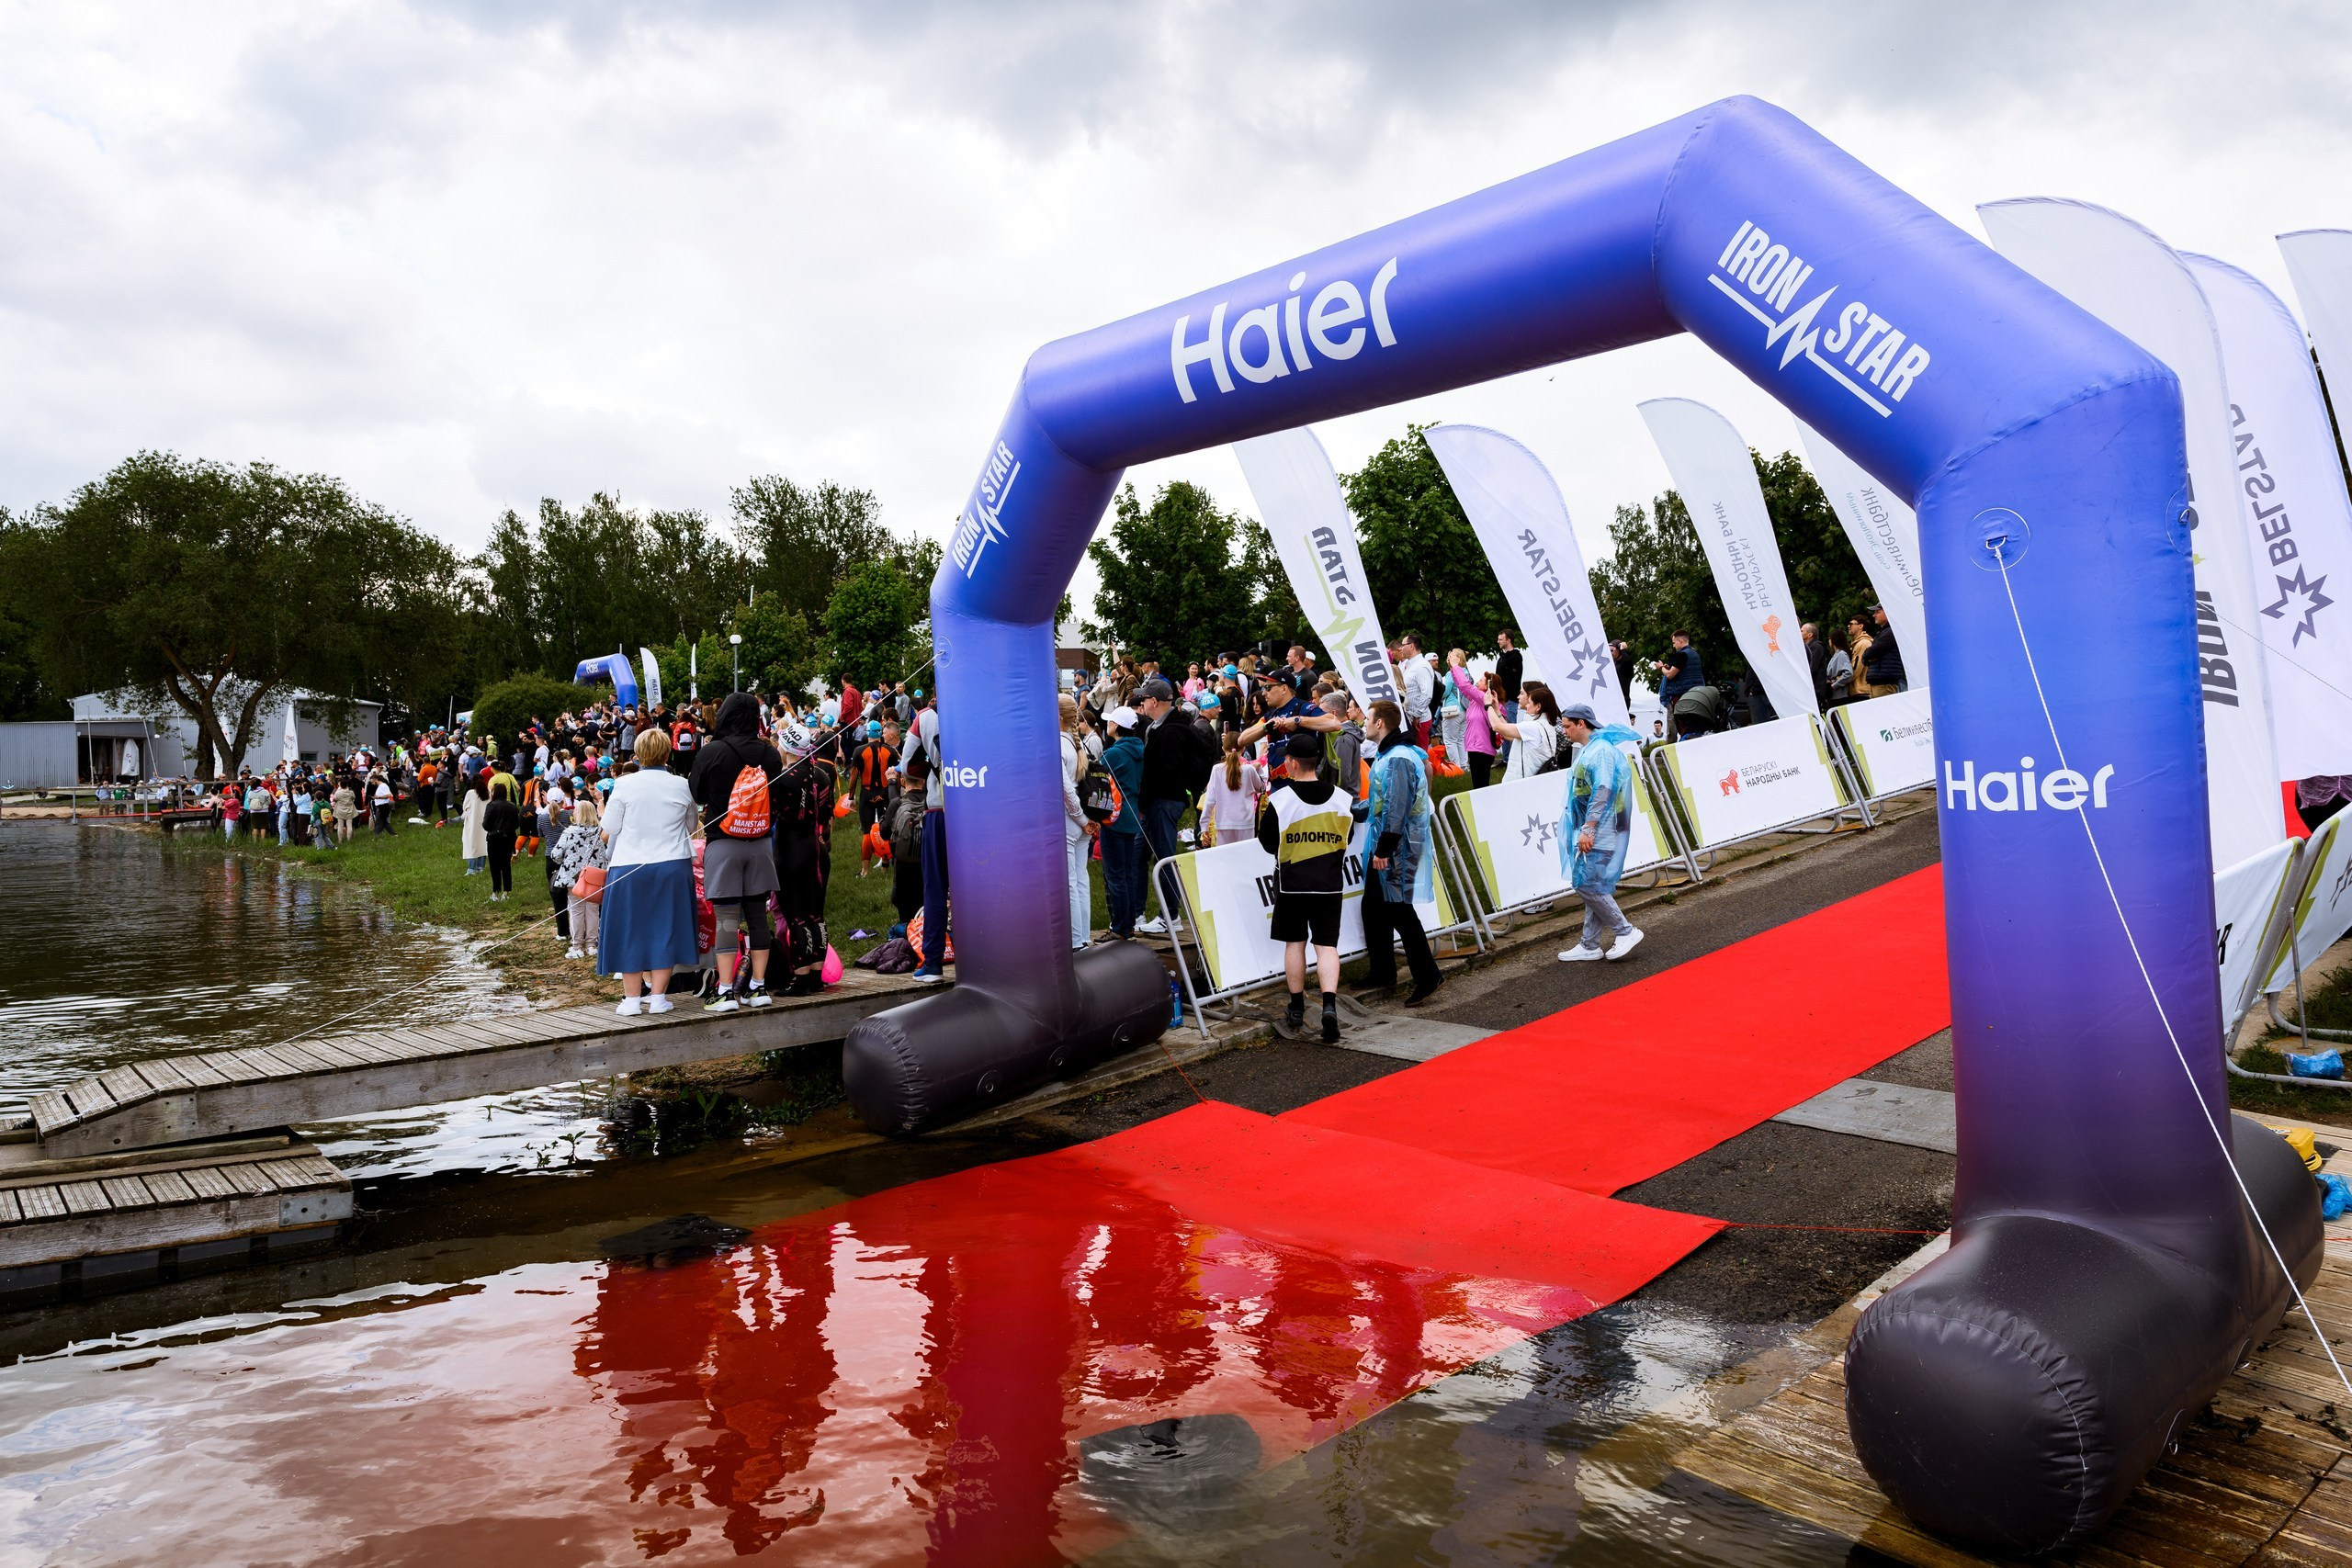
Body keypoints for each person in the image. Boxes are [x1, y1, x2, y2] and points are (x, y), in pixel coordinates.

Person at [690, 692, 783, 1010]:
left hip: (723, 843)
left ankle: (726, 990)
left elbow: (697, 792)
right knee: (758, 914)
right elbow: (779, 795)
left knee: (727, 918)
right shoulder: (768, 754)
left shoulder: (712, 751)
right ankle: (759, 987)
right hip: (759, 843)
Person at [1256, 729, 1350, 1043]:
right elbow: (1344, 839)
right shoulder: (1341, 798)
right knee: (1327, 947)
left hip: (1292, 885)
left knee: (1295, 944)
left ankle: (1296, 1008)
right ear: (1318, 762)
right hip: (1329, 884)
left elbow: (1268, 842)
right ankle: (1329, 1007)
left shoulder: (1280, 800)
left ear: (1293, 764)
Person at [599, 728, 699, 1015]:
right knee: (665, 928)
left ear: (637, 755)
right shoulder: (681, 784)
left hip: (629, 864)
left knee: (631, 929)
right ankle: (658, 997)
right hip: (672, 865)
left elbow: (609, 830)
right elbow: (691, 827)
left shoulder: (624, 785)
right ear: (667, 754)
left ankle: (631, 999)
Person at [1354, 699, 1444, 1005]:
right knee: (1373, 908)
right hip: (1388, 843)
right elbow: (1382, 799)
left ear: (1380, 723)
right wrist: (1355, 810)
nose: (1364, 724)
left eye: (1367, 719)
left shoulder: (1398, 758)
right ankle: (1383, 971)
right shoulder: (1389, 755)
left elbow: (1397, 806)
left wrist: (1385, 849)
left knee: (1398, 910)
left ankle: (1428, 975)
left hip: (1397, 847)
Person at [1555, 705, 1645, 964]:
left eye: (1567, 725)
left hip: (1602, 829)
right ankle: (1590, 944)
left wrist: (1588, 828)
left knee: (1586, 883)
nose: (1565, 731)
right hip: (1599, 827)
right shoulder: (1592, 749)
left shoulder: (1601, 751)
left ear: (1582, 724)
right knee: (1594, 883)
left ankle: (1625, 931)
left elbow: (1603, 789)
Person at [1132, 676, 1215, 934]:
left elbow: (1169, 770)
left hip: (1164, 801)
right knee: (1140, 855)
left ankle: (1171, 915)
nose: (1141, 703)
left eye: (1144, 699)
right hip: (1158, 801)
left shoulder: (1171, 732)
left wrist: (1147, 786)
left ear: (1154, 701)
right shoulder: (1164, 727)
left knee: (1165, 858)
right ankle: (1137, 913)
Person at [772, 721, 835, 995]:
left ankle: (800, 977)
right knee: (816, 915)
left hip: (791, 852)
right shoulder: (821, 775)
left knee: (796, 915)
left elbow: (770, 816)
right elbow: (827, 819)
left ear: (786, 747)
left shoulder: (782, 779)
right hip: (817, 850)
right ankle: (816, 975)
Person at [1097, 706, 1149, 939]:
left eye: (1110, 722)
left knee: (1116, 875)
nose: (1107, 724)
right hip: (1131, 817)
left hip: (1114, 819)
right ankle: (1127, 924)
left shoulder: (1114, 754)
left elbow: (1095, 777)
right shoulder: (1138, 749)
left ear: (1116, 726)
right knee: (1127, 874)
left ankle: (1120, 928)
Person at [910, 696, 950, 981]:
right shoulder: (983, 710)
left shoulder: (925, 716)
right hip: (980, 812)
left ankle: (933, 962)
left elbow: (907, 763)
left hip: (939, 810)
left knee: (935, 889)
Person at [1059, 693, 1096, 950]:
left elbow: (1066, 791)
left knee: (1072, 881)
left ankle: (1075, 940)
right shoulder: (1076, 743)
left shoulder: (1060, 745)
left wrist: (1082, 819)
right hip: (1081, 820)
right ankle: (1082, 935)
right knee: (1081, 879)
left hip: (1071, 819)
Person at [551, 791, 608, 957]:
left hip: (573, 877)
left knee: (575, 909)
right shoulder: (600, 832)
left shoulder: (569, 832)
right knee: (592, 910)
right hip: (595, 876)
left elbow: (556, 855)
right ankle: (592, 944)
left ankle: (577, 947)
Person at [1200, 731, 1266, 847]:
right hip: (1245, 823)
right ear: (1244, 748)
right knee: (1245, 857)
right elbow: (1262, 787)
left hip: (1223, 823)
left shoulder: (1216, 770)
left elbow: (1209, 801)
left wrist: (1204, 826)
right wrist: (1259, 769)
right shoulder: (1249, 770)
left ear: (1223, 748)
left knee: (1226, 859)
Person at [887, 751, 930, 929]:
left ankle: (907, 943)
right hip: (928, 863)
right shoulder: (932, 802)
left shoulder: (897, 803)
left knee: (905, 912)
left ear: (903, 781)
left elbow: (884, 833)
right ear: (924, 781)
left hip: (903, 865)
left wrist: (891, 784)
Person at [1487, 680, 1561, 780]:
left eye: (1522, 694)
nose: (1526, 705)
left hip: (1522, 783)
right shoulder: (1542, 724)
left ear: (1538, 706)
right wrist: (1496, 709)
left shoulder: (1533, 727)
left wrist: (1487, 705)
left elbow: (1497, 727)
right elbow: (1508, 734)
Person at [1446, 649, 1496, 787]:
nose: (1476, 682)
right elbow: (1462, 689)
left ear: (1488, 686)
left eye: (1480, 680)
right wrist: (1452, 668)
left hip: (1482, 750)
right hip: (1476, 749)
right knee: (1478, 785)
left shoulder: (1484, 699)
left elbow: (1465, 685)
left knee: (1481, 786)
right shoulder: (1477, 700)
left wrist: (1456, 666)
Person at [1396, 633, 1435, 745]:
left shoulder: (1421, 666)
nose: (1400, 648)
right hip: (1412, 719)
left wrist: (1417, 715)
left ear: (1411, 646)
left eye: (1403, 645)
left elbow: (1427, 694)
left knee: (1420, 757)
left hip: (1419, 722)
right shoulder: (1412, 665)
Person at [483, 781, 519, 900]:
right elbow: (516, 824)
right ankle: (506, 892)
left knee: (494, 865)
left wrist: (492, 829)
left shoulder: (491, 806)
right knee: (506, 865)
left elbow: (485, 824)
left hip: (494, 838)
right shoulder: (512, 806)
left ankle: (495, 891)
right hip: (508, 837)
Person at [1494, 630, 1523, 767]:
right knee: (1503, 728)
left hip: (1510, 699)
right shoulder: (1502, 658)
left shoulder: (1515, 658)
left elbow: (1513, 679)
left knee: (1510, 728)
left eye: (1501, 639)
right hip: (1501, 699)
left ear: (1508, 640)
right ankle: (1506, 758)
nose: (1498, 642)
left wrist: (1506, 695)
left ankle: (1512, 759)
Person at [1863, 604, 1906, 693]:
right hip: (1880, 680)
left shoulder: (1890, 632)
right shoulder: (1884, 632)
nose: (1874, 615)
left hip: (1884, 681)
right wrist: (1867, 657)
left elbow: (1869, 653)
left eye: (1877, 612)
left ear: (1888, 613)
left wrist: (1867, 657)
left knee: (1883, 706)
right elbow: (1866, 656)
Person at [1655, 632, 1702, 706]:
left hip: (1682, 695)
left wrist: (1661, 667)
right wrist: (1668, 668)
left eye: (1674, 643)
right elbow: (1685, 671)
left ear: (1680, 641)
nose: (1673, 646)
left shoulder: (1682, 655)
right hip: (1696, 694)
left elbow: (1669, 675)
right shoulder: (1694, 653)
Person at [460, 774, 489, 873]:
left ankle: (471, 869)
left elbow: (465, 807)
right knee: (482, 844)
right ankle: (481, 867)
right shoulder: (489, 792)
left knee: (471, 844)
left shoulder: (470, 793)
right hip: (485, 823)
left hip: (472, 824)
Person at [1802, 622, 1832, 713]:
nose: (1799, 632)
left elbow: (1812, 667)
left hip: (1816, 689)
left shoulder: (1816, 647)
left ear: (1809, 635)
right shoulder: (1808, 647)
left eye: (1802, 631)